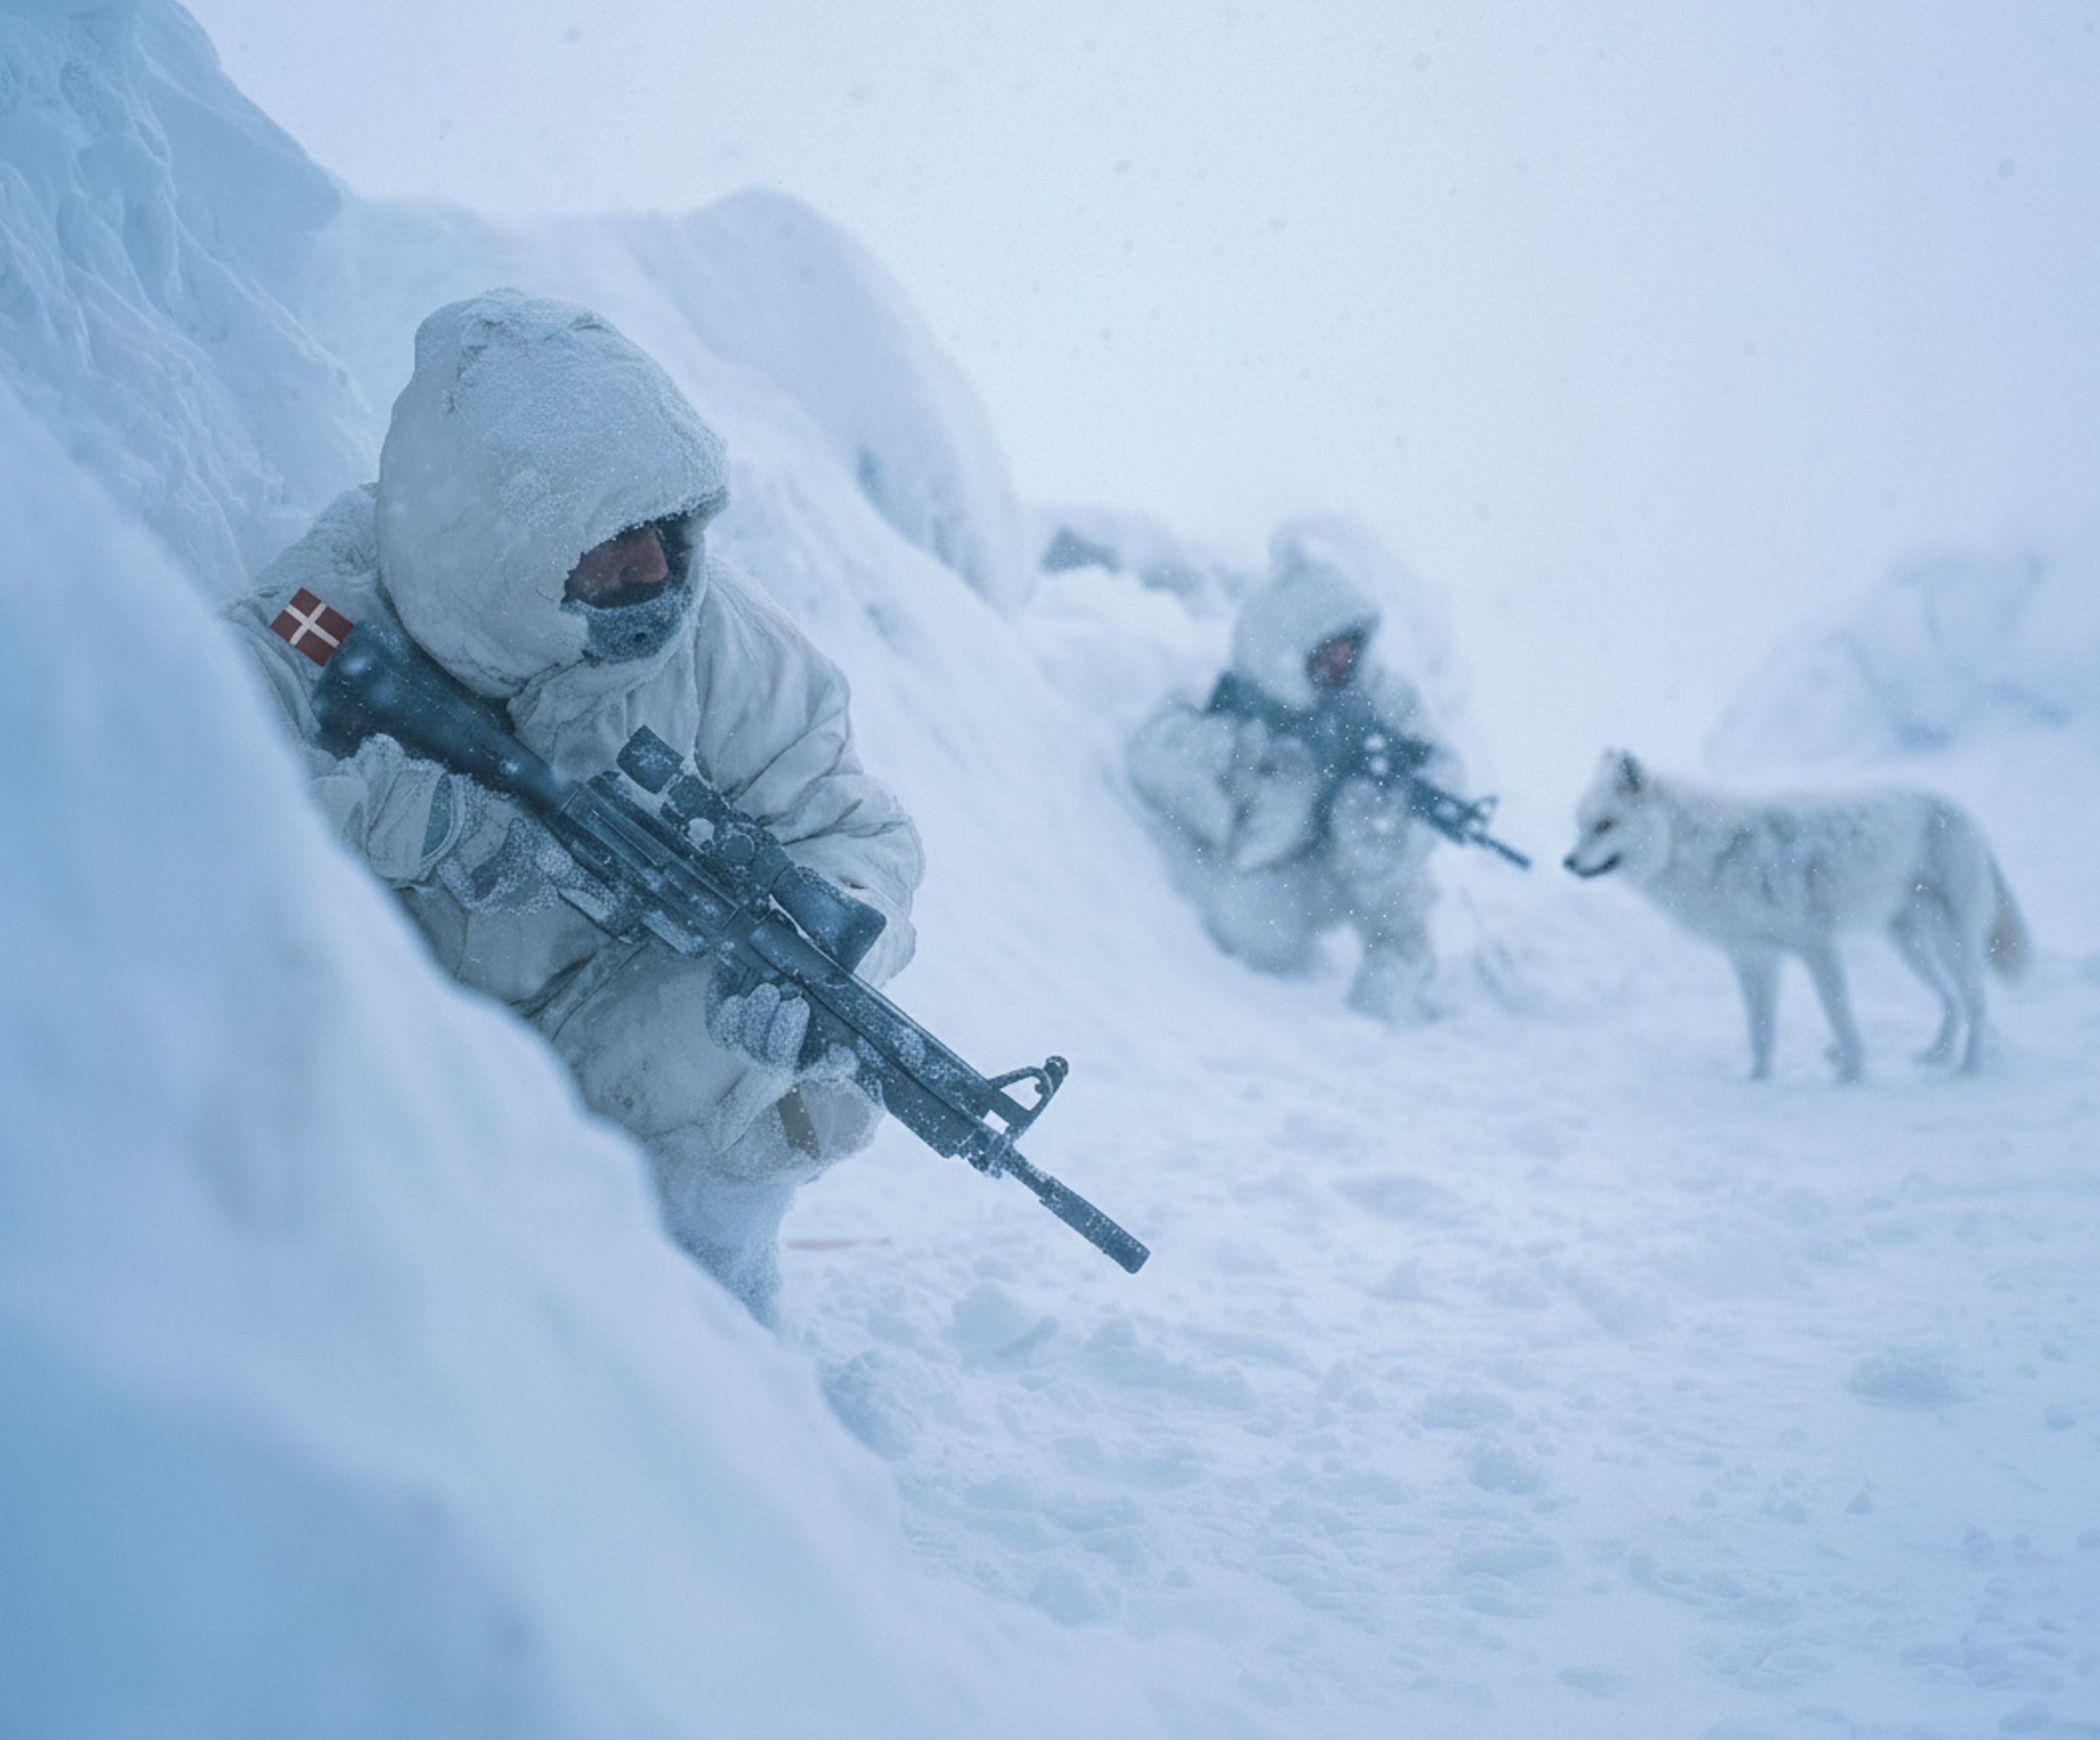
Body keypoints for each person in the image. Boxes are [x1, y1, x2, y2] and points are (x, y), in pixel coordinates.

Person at [224, 289, 924, 1322]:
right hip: (383, 1066)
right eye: (611, 540)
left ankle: (702, 1339)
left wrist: (839, 949)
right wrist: (413, 820)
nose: (657, 568)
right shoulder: (323, 612)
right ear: (504, 538)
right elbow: (181, 808)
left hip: (591, 1045)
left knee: (782, 1030)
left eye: (670, 526)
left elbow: (851, 826)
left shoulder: (716, 634)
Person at [1125, 522, 1456, 1023]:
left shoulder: (1384, 697)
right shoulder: (1228, 687)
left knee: (1386, 836)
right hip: (1271, 867)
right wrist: (1243, 754)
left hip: (1346, 867)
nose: (1342, 660)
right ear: (1289, 643)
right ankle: (1255, 997)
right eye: (1326, 648)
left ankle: (1400, 969)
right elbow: (1151, 754)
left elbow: (1443, 771)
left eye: (1350, 644)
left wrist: (1373, 798)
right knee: (1252, 926)